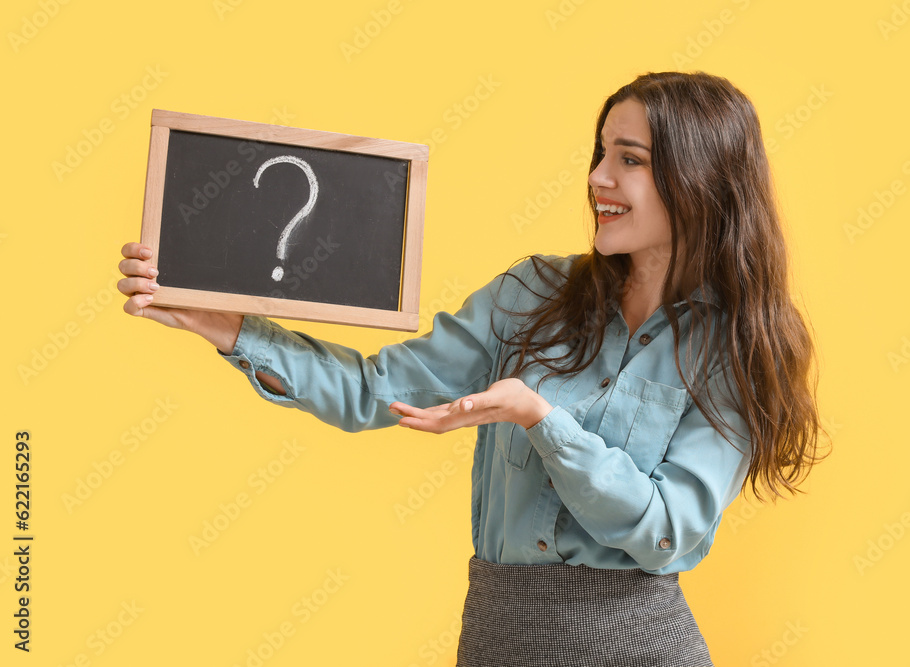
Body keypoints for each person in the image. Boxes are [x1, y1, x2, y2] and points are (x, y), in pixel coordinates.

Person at [118, 70, 827, 667]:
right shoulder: (531, 296)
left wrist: (541, 419)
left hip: (645, 645)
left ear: (700, 178)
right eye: (601, 152)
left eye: (630, 159)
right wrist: (228, 326)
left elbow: (667, 530)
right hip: (498, 639)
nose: (598, 177)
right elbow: (371, 391)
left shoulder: (738, 344)